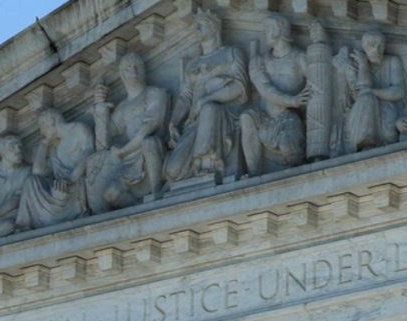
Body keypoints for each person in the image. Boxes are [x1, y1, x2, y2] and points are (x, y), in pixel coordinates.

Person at [165, 7, 249, 183]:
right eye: (195, 25)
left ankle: (208, 163)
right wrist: (173, 122)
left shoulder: (231, 53)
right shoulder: (192, 65)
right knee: (172, 171)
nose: (197, 29)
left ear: (214, 27)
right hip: (195, 122)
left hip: (224, 115)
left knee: (209, 109)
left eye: (201, 24)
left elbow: (239, 87)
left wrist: (206, 100)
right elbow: (185, 97)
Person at [84, 53, 170, 210]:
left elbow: (148, 128)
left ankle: (158, 194)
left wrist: (124, 150)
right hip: (130, 161)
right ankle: (143, 211)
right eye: (128, 68)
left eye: (138, 67)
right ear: (122, 74)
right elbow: (103, 144)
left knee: (149, 142)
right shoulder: (123, 107)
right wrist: (100, 106)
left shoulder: (156, 93)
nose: (134, 72)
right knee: (111, 194)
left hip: (152, 154)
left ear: (144, 70)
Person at [240, 14, 312, 175]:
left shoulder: (300, 57)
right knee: (246, 117)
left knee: (290, 151)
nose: (264, 32)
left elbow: (315, 85)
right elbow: (266, 90)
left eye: (268, 29)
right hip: (264, 117)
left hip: (289, 117)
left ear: (280, 30)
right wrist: (292, 100)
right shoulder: (259, 61)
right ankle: (254, 173)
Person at [15, 108, 96, 231]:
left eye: (42, 126)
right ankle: (24, 225)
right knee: (31, 181)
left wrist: (71, 179)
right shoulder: (54, 145)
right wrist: (44, 144)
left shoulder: (79, 129)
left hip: (76, 185)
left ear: (52, 122)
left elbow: (89, 155)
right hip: (58, 189)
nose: (41, 131)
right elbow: (38, 172)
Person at [339, 29, 407, 153]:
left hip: (388, 108)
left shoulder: (392, 61)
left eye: (381, 46)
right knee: (367, 99)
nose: (377, 50)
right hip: (359, 116)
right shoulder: (354, 65)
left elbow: (399, 92)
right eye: (371, 46)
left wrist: (372, 91)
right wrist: (363, 64)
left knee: (391, 133)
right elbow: (360, 93)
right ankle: (365, 142)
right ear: (363, 48)